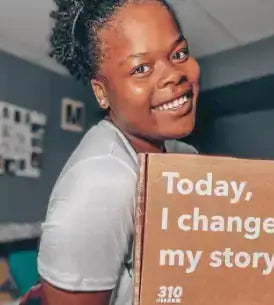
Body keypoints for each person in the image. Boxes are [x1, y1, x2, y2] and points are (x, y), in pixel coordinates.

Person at [38, 0, 200, 304]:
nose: (174, 75)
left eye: (179, 53)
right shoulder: (100, 182)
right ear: (101, 92)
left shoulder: (183, 155)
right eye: (141, 68)